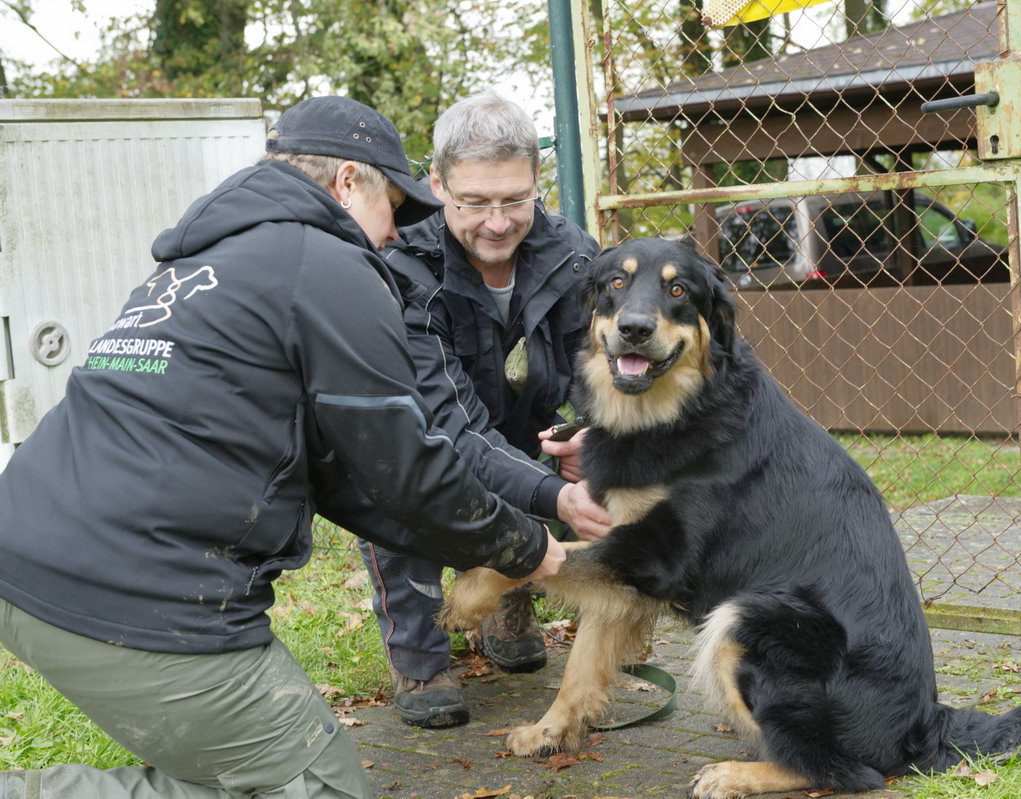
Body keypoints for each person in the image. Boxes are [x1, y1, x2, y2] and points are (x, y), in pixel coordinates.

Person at [0, 95, 563, 798]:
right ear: (349, 180)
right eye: (393, 205)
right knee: (317, 790)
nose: (392, 236)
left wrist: (486, 545)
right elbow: (408, 466)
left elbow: (347, 480)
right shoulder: (323, 261)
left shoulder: (213, 261)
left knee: (236, 770)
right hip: (137, 590)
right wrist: (533, 548)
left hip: (34, 554)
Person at [354, 91, 611, 729]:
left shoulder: (575, 253)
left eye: (514, 200)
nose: (497, 223)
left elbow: (595, 370)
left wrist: (590, 438)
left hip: (522, 439)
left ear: (535, 181)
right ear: (437, 184)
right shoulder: (401, 269)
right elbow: (454, 426)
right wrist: (554, 498)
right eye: (473, 204)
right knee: (397, 478)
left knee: (581, 470)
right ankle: (419, 653)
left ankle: (507, 596)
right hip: (424, 446)